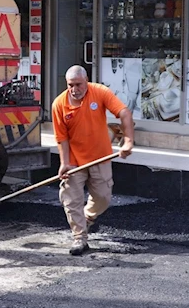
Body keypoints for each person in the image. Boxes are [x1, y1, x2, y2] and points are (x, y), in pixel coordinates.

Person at [52, 65, 134, 256]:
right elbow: (61, 138)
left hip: (100, 156)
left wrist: (128, 140)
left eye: (78, 84)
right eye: (70, 85)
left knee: (103, 197)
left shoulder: (99, 93)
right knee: (71, 200)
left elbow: (124, 113)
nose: (75, 89)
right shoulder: (59, 104)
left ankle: (88, 217)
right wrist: (64, 163)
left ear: (86, 80)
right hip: (74, 160)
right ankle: (79, 238)